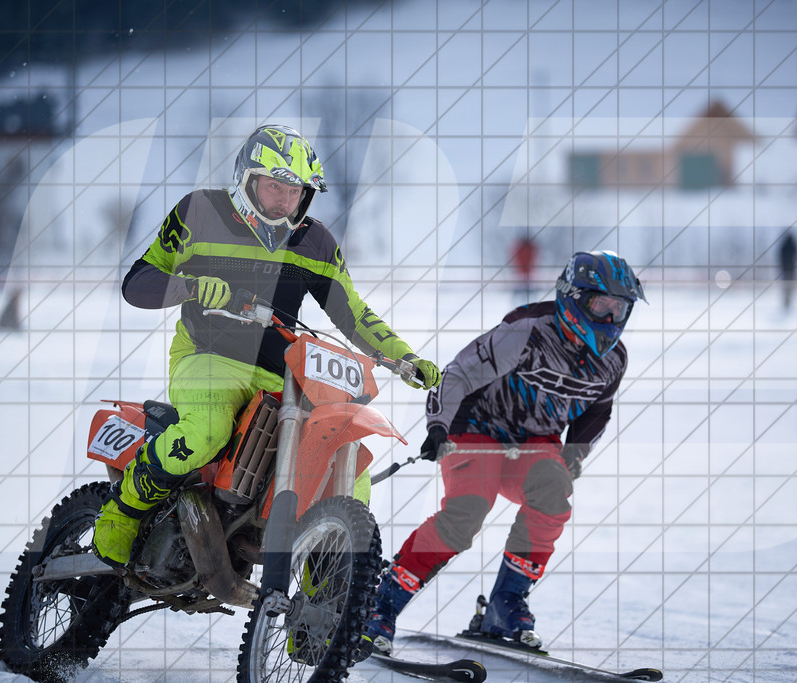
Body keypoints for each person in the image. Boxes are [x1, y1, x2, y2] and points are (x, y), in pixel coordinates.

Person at [92, 124, 443, 568]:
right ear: (247, 180)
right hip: (206, 355)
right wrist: (192, 286)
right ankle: (125, 509)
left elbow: (352, 312)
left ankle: (327, 610)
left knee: (346, 467)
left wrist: (404, 356)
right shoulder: (199, 212)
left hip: (283, 376)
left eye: (293, 191)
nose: (283, 200)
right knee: (205, 433)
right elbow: (137, 282)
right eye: (274, 186)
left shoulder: (315, 242)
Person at [364, 249, 646, 655]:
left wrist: (573, 457)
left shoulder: (613, 361)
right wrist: (438, 426)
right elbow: (458, 374)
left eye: (619, 309)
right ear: (573, 298)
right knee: (468, 511)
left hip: (535, 441)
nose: (610, 319)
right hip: (476, 426)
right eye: (601, 305)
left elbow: (596, 414)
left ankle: (506, 604)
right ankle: (381, 606)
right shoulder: (527, 330)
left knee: (554, 492)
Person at [779, 230, 797, 310]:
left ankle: (786, 302)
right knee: (789, 288)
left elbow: (780, 258)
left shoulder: (783, 247)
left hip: (785, 271)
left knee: (786, 288)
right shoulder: (793, 247)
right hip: (790, 271)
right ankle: (787, 302)